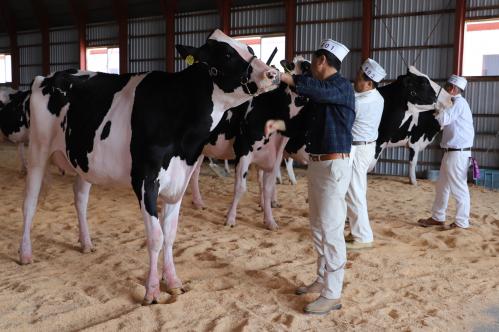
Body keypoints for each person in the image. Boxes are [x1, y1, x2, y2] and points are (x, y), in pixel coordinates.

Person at [272, 39, 355, 315]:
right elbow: (298, 125)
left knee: (331, 230)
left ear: (321, 61)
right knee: (318, 227)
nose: (310, 70)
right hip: (318, 164)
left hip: (334, 165)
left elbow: (312, 87)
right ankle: (322, 280)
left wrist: (283, 77)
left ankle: (333, 294)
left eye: (312, 63)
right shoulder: (321, 97)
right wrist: (275, 125)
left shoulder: (340, 87)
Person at [417, 74, 474, 229]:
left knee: (459, 188)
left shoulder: (459, 104)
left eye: (448, 87)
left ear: (454, 89)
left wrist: (436, 108)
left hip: (458, 153)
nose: (445, 89)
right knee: (442, 186)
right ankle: (438, 217)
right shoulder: (454, 103)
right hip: (451, 152)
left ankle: (462, 222)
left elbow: (442, 120)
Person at [345, 58, 386, 250]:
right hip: (367, 147)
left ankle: (363, 236)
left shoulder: (359, 102)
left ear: (369, 83)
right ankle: (355, 231)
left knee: (355, 193)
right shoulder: (378, 97)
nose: (355, 80)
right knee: (355, 191)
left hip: (357, 149)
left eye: (359, 78)